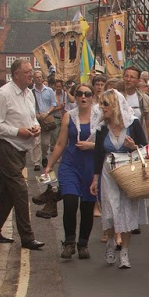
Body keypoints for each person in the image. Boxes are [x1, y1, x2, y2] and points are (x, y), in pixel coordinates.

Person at [0, 59, 46, 251]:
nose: (31, 75)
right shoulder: (4, 94)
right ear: (16, 74)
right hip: (7, 148)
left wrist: (36, 126)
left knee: (6, 195)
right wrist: (17, 131)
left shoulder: (28, 94)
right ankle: (27, 237)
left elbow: (32, 116)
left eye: (32, 72)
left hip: (21, 150)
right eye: (27, 72)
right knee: (20, 192)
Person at [92, 89, 149, 269]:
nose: (102, 108)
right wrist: (95, 179)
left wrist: (134, 146)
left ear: (115, 105)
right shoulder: (102, 127)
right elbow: (97, 153)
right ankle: (110, 242)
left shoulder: (132, 124)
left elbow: (145, 148)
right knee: (110, 209)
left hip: (128, 170)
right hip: (109, 171)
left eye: (105, 104)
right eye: (101, 104)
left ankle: (124, 252)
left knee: (127, 210)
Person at [47, 82, 99, 260]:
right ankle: (69, 243)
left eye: (87, 94)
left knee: (87, 207)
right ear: (75, 97)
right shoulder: (68, 116)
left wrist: (92, 145)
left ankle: (83, 243)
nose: (83, 97)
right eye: (79, 94)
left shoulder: (100, 117)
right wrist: (49, 165)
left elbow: (107, 143)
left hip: (91, 167)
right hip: (70, 164)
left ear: (92, 97)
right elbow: (61, 143)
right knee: (69, 202)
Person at [30, 65, 60, 170]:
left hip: (46, 118)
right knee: (36, 141)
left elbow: (54, 104)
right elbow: (29, 105)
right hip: (35, 118)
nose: (39, 79)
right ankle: (36, 162)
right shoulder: (31, 92)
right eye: (36, 77)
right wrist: (36, 114)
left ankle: (44, 156)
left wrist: (47, 113)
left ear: (43, 78)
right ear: (34, 79)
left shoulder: (49, 91)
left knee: (45, 143)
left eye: (40, 77)